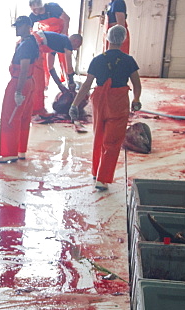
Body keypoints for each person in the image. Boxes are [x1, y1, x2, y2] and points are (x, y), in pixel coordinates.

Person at [70, 25, 141, 191]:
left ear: (108, 39)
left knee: (99, 136)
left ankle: (96, 172)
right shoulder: (128, 60)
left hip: (99, 100)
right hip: (118, 101)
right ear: (123, 40)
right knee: (113, 140)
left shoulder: (98, 60)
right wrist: (136, 99)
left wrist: (75, 104)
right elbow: (136, 84)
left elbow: (87, 85)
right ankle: (102, 179)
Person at [0, 17, 42, 164]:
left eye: (20, 26)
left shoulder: (25, 45)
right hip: (30, 82)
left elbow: (23, 69)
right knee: (23, 117)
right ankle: (20, 150)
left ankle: (10, 153)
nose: (17, 29)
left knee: (10, 118)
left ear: (28, 26)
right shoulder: (31, 41)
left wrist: (18, 91)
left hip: (20, 82)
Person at [28, 0, 71, 115]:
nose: (35, 12)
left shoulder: (53, 8)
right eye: (33, 10)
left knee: (65, 65)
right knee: (44, 68)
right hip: (46, 41)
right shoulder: (32, 16)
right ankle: (43, 87)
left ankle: (68, 83)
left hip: (60, 36)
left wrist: (63, 34)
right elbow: (50, 67)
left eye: (37, 9)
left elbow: (66, 18)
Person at [34, 31, 83, 103]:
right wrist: (71, 82)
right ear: (75, 41)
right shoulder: (67, 42)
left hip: (35, 39)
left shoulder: (55, 44)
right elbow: (69, 65)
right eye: (77, 46)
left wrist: (59, 85)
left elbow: (50, 67)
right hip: (36, 42)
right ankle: (36, 108)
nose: (76, 49)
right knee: (37, 79)